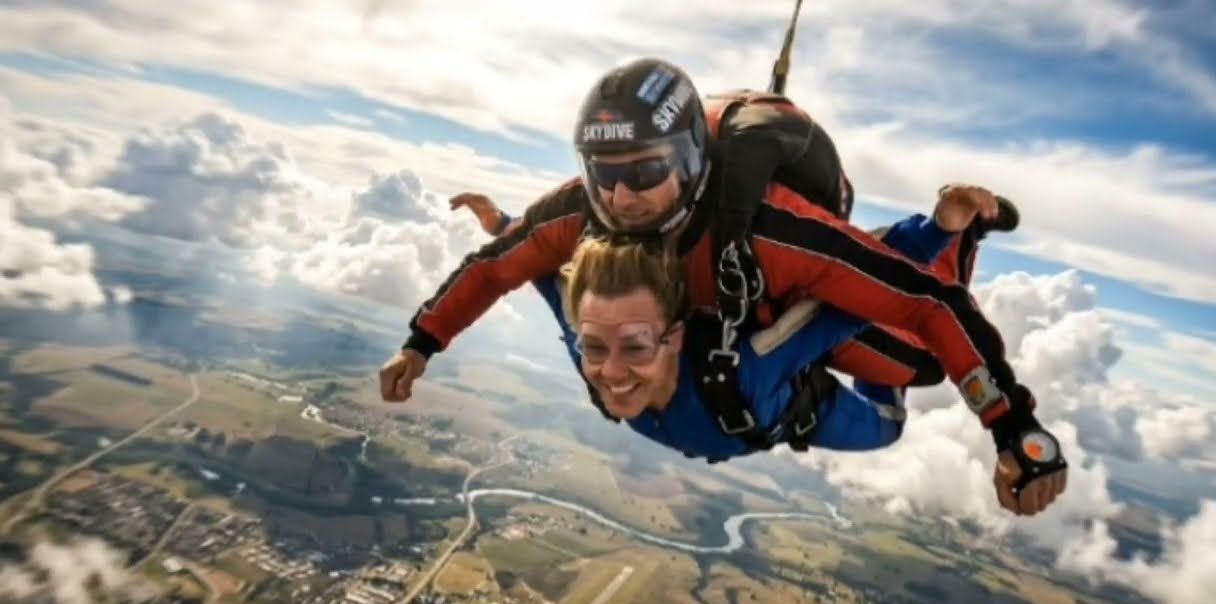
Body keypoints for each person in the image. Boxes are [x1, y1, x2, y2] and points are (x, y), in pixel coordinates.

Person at [382, 58, 1067, 517]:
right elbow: (508, 266)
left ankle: (952, 227)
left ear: (688, 160)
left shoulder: (769, 230)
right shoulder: (579, 222)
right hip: (737, 350)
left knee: (904, 366)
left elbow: (922, 301)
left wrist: (1012, 429)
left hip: (779, 335)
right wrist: (424, 340)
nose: (622, 198)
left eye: (645, 172)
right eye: (604, 173)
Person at [541, 237, 908, 462]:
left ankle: (886, 357)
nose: (612, 372)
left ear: (676, 337)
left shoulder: (743, 372)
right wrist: (500, 225)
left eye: (636, 348)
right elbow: (540, 269)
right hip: (742, 420)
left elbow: (846, 305)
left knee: (888, 427)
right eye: (594, 348)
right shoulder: (590, 346)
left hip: (800, 411)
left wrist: (940, 229)